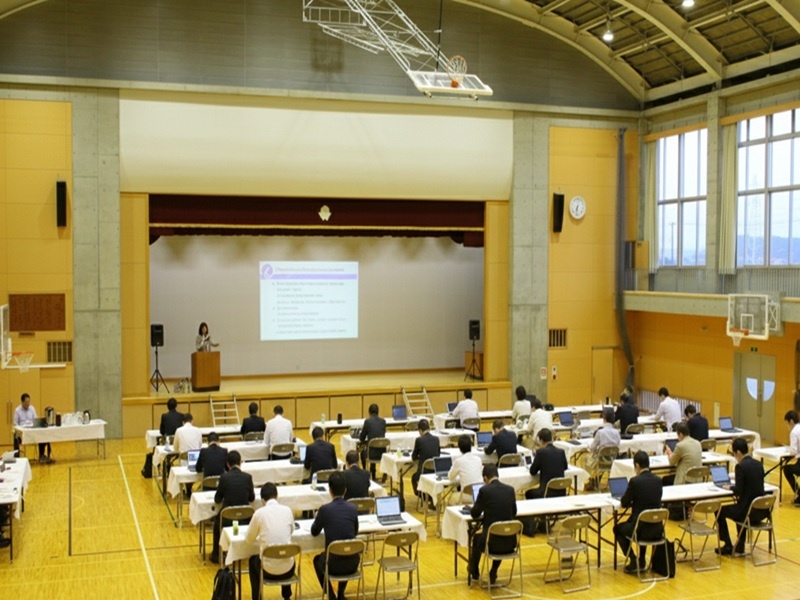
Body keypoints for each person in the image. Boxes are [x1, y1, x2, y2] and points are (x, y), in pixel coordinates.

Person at [311, 471, 360, 600]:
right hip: (353, 563)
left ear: (330, 490)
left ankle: (331, 595)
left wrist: (318, 517)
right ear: (345, 490)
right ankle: (341, 593)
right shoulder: (352, 508)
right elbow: (355, 532)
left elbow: (314, 532)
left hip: (332, 564)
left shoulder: (325, 509)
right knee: (346, 550)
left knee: (317, 560)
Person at [614, 451, 664, 574]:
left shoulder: (635, 482)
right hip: (657, 529)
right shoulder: (658, 480)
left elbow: (624, 503)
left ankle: (633, 558)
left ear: (637, 465)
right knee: (645, 521)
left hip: (639, 529)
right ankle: (641, 559)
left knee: (617, 529)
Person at [716, 437, 767, 555]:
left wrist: (730, 487)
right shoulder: (759, 464)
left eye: (734, 454)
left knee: (720, 510)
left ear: (738, 452)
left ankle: (728, 544)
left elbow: (738, 491)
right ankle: (739, 544)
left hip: (748, 512)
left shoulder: (740, 467)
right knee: (740, 507)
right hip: (761, 511)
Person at [469, 464, 517, 584]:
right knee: (499, 534)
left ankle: (474, 572)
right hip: (510, 542)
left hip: (491, 544)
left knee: (476, 538)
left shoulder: (484, 490)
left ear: (485, 478)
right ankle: (493, 570)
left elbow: (475, 514)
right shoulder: (510, 490)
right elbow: (514, 512)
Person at [247, 482, 295, 600]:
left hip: (267, 571)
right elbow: (291, 530)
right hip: (288, 570)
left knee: (253, 561)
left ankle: (257, 597)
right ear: (277, 496)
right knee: (285, 552)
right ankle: (287, 595)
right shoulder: (287, 510)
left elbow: (249, 539)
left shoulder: (259, 513)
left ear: (262, 500)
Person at [210, 450, 255, 564]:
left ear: (228, 464)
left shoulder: (224, 478)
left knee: (216, 523)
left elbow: (217, 499)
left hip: (227, 518)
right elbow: (251, 498)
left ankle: (216, 554)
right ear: (240, 462)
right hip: (245, 517)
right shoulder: (248, 477)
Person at [525, 428, 567, 499]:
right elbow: (565, 467)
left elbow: (532, 471)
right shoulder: (561, 452)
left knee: (528, 493)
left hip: (546, 492)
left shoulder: (541, 452)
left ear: (541, 441)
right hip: (561, 490)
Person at [13, 393, 53, 464]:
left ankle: (41, 455)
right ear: (22, 402)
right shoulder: (17, 410)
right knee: (15, 436)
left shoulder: (32, 408)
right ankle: (17, 456)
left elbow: (36, 419)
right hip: (22, 432)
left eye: (29, 402)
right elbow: (15, 424)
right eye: (26, 402)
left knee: (42, 435)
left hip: (32, 430)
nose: (28, 404)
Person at [585, 408, 620, 487]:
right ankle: (596, 479)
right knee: (602, 457)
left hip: (600, 461)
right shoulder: (617, 433)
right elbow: (617, 446)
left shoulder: (600, 432)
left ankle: (592, 480)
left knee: (586, 458)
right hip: (612, 460)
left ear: (604, 418)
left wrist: (591, 448)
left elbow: (592, 448)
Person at [448, 434, 484, 502]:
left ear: (459, 448)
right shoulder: (478, 459)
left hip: (466, 496)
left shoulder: (458, 461)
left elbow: (450, 477)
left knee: (450, 499)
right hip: (479, 495)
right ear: (471, 446)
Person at [411, 419, 440, 496]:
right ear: (429, 428)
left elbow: (413, 457)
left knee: (414, 478)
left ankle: (422, 496)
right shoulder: (436, 439)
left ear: (420, 430)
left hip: (423, 472)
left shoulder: (419, 440)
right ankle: (429, 496)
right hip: (435, 471)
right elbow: (438, 454)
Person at [358, 403, 386, 478]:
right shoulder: (383, 422)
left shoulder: (367, 422)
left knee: (363, 453)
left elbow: (361, 438)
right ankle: (378, 473)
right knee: (375, 445)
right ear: (378, 412)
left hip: (371, 453)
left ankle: (365, 473)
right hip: (382, 453)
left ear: (369, 412)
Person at [783, 410, 800, 506]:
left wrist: (788, 449)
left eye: (787, 424)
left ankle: (798, 492)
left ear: (791, 421)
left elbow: (793, 451)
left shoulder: (794, 432)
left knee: (786, 469)